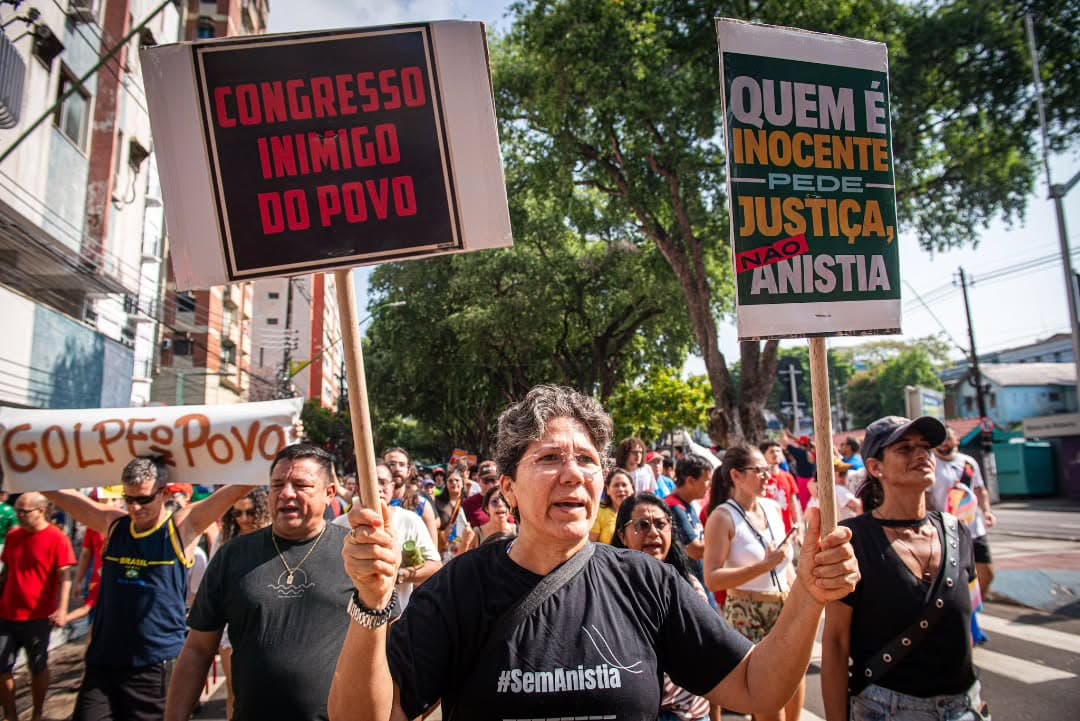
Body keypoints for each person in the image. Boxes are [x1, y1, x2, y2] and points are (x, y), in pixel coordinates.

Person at [330, 384, 859, 721]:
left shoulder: (646, 583)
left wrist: (809, 596)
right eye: (548, 458)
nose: (572, 473)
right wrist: (372, 608)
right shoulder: (461, 587)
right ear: (508, 489)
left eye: (586, 458)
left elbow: (757, 689)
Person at [43, 458, 253, 721]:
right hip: (103, 662)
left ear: (164, 493)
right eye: (128, 499)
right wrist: (20, 467)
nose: (134, 507)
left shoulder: (181, 527)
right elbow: (63, 496)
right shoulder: (115, 524)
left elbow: (235, 491)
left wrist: (277, 443)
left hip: (154, 665)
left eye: (143, 499)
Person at [165, 445, 352, 721]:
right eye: (277, 484)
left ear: (329, 494)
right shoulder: (233, 555)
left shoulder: (355, 552)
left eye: (301, 484)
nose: (286, 493)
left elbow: (388, 644)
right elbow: (198, 649)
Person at [821, 416, 987, 721]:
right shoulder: (852, 539)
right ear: (875, 467)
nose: (921, 454)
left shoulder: (956, 532)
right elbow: (835, 642)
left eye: (926, 447)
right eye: (905, 448)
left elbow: (966, 623)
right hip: (886, 709)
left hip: (964, 706)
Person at [703, 446, 801, 721]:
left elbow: (786, 565)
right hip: (748, 612)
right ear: (736, 475)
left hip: (784, 606)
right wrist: (764, 566)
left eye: (767, 471)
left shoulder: (772, 507)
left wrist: (799, 602)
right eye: (759, 471)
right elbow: (712, 578)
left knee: (794, 687)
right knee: (769, 701)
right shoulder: (722, 516)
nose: (767, 477)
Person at [612, 493, 713, 721]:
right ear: (622, 535)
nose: (653, 533)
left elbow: (706, 650)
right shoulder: (608, 588)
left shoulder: (689, 585)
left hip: (690, 713)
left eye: (661, 524)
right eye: (642, 525)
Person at [0, 492, 77, 721]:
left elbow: (65, 577)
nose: (20, 516)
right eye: (18, 511)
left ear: (41, 510)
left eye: (25, 512)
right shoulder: (14, 536)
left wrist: (62, 609)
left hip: (38, 615)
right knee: (2, 667)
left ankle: (37, 712)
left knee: (38, 666)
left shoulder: (57, 538)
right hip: (7, 612)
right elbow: (6, 571)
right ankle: (11, 714)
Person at [333, 462, 440, 609]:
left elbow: (435, 566)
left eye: (383, 482)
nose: (377, 488)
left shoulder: (410, 520)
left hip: (398, 620)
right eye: (369, 482)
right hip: (348, 622)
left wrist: (401, 574)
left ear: (392, 487)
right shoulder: (338, 525)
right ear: (357, 489)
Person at [216, 487, 272, 721]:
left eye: (250, 512)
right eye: (237, 514)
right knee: (236, 695)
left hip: (268, 624)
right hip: (232, 626)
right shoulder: (225, 542)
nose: (244, 519)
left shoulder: (274, 538)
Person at [930, 428, 996, 599]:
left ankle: (974, 608)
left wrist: (987, 511)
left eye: (948, 439)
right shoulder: (931, 464)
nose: (944, 443)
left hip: (974, 529)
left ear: (956, 440)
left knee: (987, 574)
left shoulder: (968, 463)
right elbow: (926, 496)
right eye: (941, 440)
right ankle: (963, 612)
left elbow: (980, 489)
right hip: (947, 531)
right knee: (953, 578)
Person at [666, 453, 712, 592]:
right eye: (706, 481)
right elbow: (695, 550)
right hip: (689, 586)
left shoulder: (688, 505)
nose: (709, 486)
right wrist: (725, 540)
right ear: (691, 481)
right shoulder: (674, 507)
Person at [386, 448, 439, 546]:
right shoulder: (373, 502)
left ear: (408, 471)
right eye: (391, 464)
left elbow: (433, 554)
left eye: (402, 464)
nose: (397, 468)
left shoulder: (421, 504)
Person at [760, 440, 803, 536]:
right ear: (763, 456)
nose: (776, 454)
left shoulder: (788, 477)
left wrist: (799, 530)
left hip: (788, 531)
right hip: (767, 531)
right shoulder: (760, 479)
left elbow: (794, 504)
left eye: (778, 451)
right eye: (771, 451)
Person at [432, 468, 474, 561]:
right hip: (444, 550)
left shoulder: (469, 503)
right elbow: (431, 527)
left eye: (457, 480)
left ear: (462, 484)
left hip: (465, 547)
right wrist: (443, 534)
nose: (454, 483)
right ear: (446, 484)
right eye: (450, 481)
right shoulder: (437, 501)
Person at [589, 468, 635, 544]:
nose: (621, 489)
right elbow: (591, 545)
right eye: (616, 485)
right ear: (608, 490)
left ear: (632, 488)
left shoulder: (639, 512)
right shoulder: (599, 513)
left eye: (624, 485)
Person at [783, 430, 817, 510]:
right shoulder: (814, 452)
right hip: (814, 480)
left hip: (803, 482)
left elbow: (785, 443)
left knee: (806, 506)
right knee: (815, 503)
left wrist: (784, 434)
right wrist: (791, 436)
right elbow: (808, 443)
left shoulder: (800, 453)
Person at [462, 460, 501, 527]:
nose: (490, 485)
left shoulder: (509, 501)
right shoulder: (468, 504)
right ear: (478, 480)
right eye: (486, 481)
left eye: (493, 480)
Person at [0, 491, 17, 566]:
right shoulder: (9, 510)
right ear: (1, 495)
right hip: (1, 542)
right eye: (7, 495)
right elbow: (15, 528)